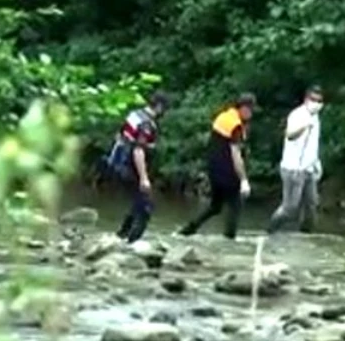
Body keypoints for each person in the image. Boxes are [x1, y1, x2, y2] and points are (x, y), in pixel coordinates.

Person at [178, 93, 257, 240]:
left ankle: (188, 230)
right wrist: (244, 179)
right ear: (243, 108)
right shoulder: (236, 125)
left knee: (215, 206)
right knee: (235, 205)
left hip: (214, 169)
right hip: (229, 172)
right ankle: (229, 240)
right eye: (251, 110)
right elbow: (235, 154)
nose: (251, 114)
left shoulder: (224, 117)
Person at [107, 91, 170, 243]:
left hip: (119, 165)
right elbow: (138, 150)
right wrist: (144, 178)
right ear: (159, 107)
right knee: (146, 208)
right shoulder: (147, 124)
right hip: (132, 169)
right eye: (164, 109)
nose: (165, 113)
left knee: (137, 203)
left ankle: (120, 236)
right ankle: (131, 243)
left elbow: (120, 135)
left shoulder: (134, 115)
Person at [266, 86, 324, 234]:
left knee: (311, 206)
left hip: (309, 169)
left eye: (319, 101)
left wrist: (316, 163)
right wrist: (304, 126)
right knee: (290, 208)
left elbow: (312, 143)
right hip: (293, 169)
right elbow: (290, 135)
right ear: (306, 100)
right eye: (313, 100)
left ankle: (306, 238)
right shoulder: (297, 115)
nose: (316, 103)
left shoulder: (316, 117)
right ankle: (269, 232)